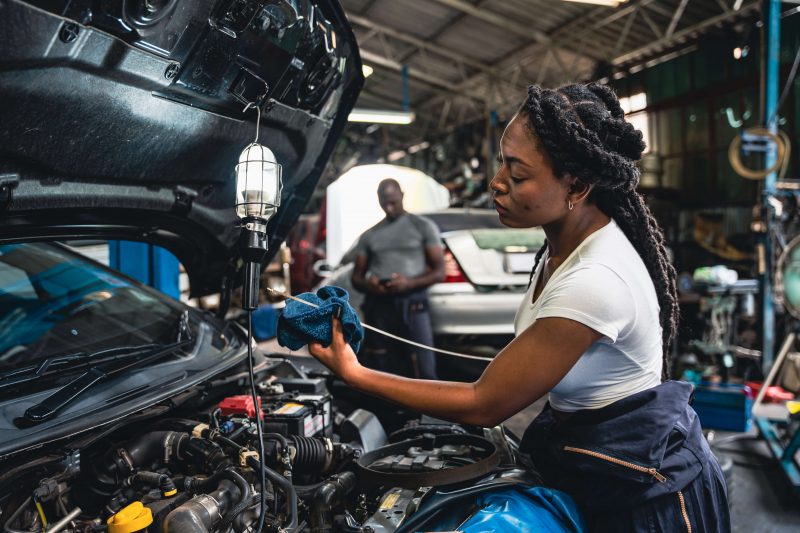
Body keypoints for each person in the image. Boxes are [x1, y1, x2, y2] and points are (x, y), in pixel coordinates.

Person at [310, 83, 729, 531]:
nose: (497, 183)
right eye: (501, 164)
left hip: (647, 497)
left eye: (519, 175)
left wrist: (356, 373)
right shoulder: (559, 246)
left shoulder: (595, 279)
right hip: (592, 457)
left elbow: (483, 402)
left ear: (578, 186)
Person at [350, 178, 444, 379]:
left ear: (402, 195)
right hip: (380, 306)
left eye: (393, 201)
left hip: (413, 306)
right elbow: (356, 278)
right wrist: (371, 285)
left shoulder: (422, 227)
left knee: (423, 366)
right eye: (385, 203)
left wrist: (409, 283)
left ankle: (425, 410)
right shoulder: (369, 236)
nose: (390, 207)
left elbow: (439, 272)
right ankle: (388, 411)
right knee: (383, 368)